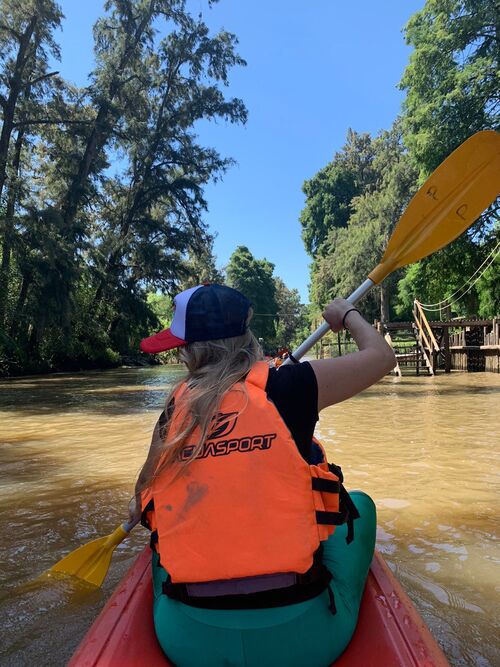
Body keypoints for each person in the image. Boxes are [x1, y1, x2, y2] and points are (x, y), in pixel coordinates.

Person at [131, 283, 395, 667]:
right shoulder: (294, 385)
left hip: (188, 645)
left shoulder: (175, 408)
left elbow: (140, 504)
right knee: (359, 505)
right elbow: (382, 357)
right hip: (305, 643)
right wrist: (346, 315)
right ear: (245, 336)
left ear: (188, 352)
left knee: (159, 542)